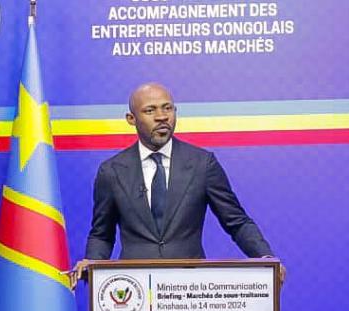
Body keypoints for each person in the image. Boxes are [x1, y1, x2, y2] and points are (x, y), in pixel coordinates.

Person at [71, 83, 276, 286]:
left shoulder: (202, 164)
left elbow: (237, 222)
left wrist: (265, 258)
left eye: (167, 108)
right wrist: (92, 262)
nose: (162, 116)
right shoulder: (112, 171)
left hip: (189, 289)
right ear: (131, 119)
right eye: (150, 110)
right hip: (135, 289)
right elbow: (102, 234)